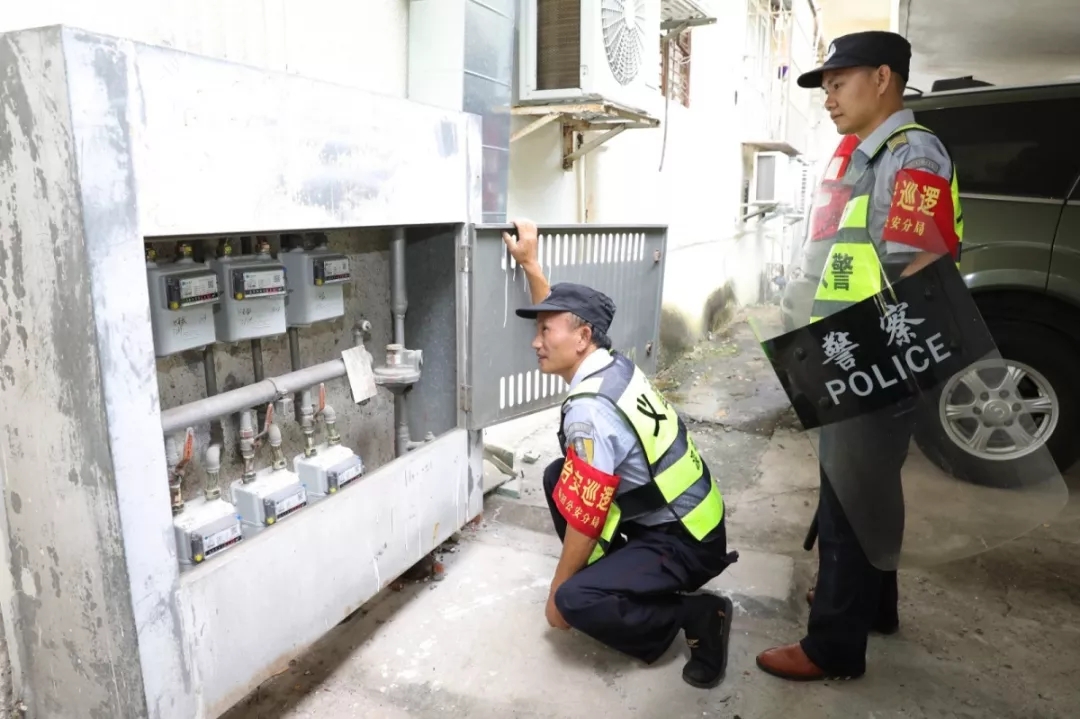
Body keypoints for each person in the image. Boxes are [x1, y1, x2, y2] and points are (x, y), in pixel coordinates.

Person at [756, 30, 963, 681]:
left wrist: (879, 364)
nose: (828, 98)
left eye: (838, 83)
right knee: (866, 490)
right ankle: (873, 607)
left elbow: (920, 263)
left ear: (882, 78)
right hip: (850, 353)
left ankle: (833, 647)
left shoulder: (912, 154)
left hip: (876, 358)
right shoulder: (866, 155)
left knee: (847, 502)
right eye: (824, 87)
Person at [502, 219, 740, 689]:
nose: (536, 341)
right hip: (686, 518)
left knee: (573, 600)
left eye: (545, 331)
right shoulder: (610, 364)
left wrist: (558, 591)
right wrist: (531, 264)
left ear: (582, 337)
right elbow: (562, 317)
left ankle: (695, 614)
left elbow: (588, 514)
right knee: (557, 475)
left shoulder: (590, 411)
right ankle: (612, 579)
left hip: (686, 540)